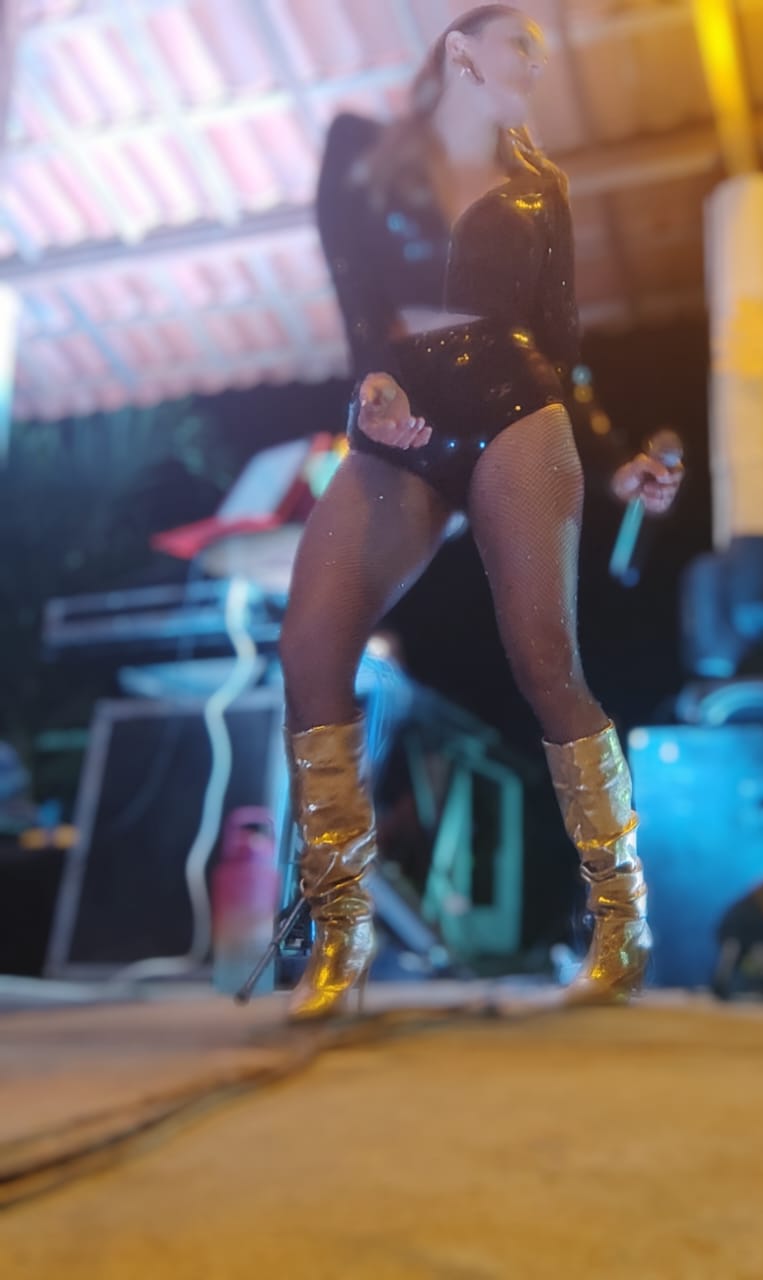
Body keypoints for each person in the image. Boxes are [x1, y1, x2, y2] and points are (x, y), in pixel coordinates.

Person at [279, 5, 683, 1021]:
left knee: (545, 660)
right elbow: (353, 290)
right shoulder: (359, 152)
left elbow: (563, 346)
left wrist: (616, 462)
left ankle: (621, 919)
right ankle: (340, 927)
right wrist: (371, 385)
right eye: (519, 48)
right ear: (460, 52)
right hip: (400, 418)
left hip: (516, 410)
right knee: (309, 647)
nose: (534, 68)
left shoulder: (542, 187)